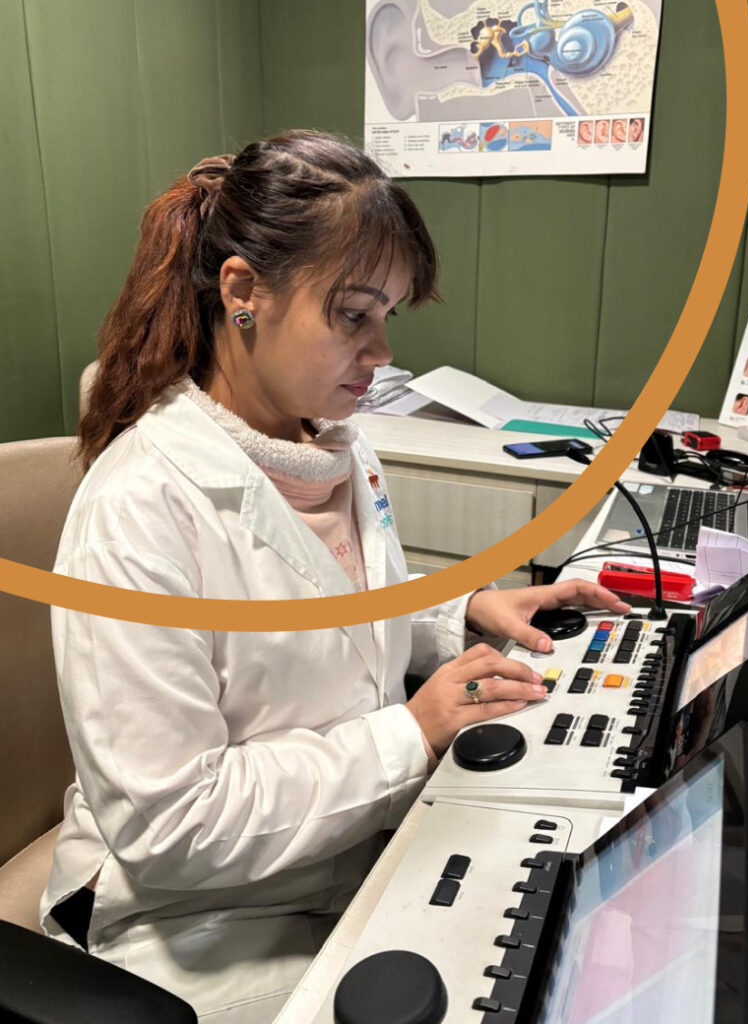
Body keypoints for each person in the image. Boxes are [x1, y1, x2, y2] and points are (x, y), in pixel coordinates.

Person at [40, 131, 629, 1022]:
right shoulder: (138, 509)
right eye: (353, 315)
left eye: (388, 316)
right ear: (243, 293)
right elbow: (169, 828)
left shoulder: (326, 444)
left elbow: (327, 605)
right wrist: (411, 732)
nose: (381, 350)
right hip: (194, 924)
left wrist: (462, 612)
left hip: (341, 855)